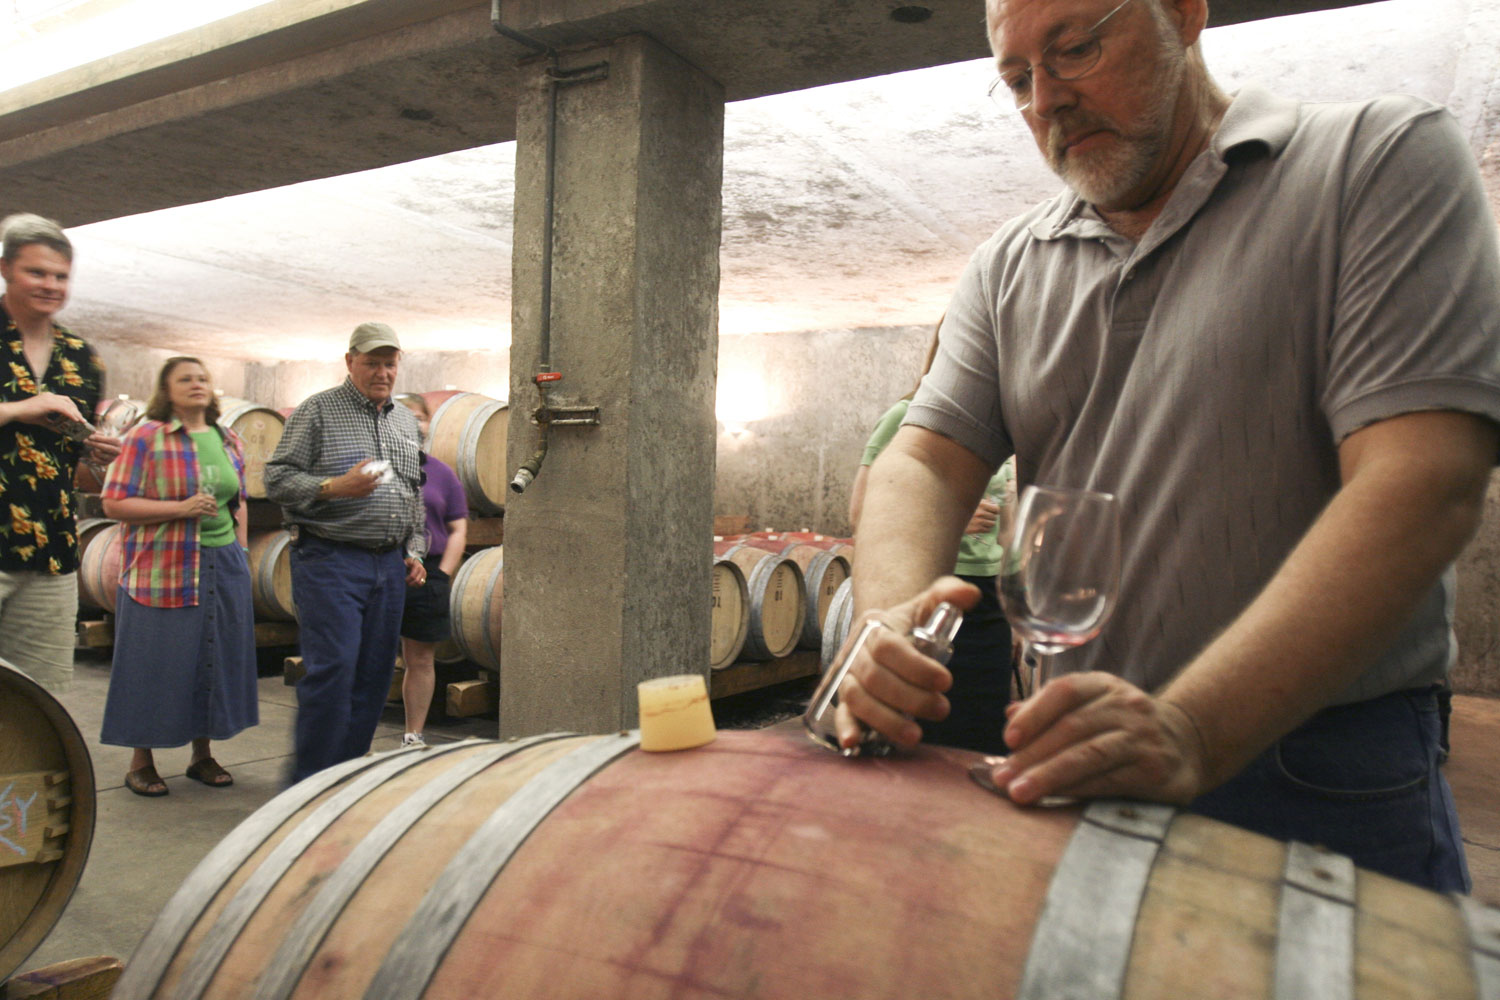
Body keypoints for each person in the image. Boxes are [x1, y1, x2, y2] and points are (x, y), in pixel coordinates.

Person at [835, 0, 1500, 891]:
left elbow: (1425, 479)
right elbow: (919, 459)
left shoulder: (1373, 161)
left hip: (1316, 768)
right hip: (1067, 751)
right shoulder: (1008, 263)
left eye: (1075, 48)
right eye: (1017, 78)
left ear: (1184, 13)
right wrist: (887, 621)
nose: (1047, 102)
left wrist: (1194, 726)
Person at [266, 322, 426, 783]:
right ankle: (305, 789)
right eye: (372, 362)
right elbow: (276, 478)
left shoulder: (403, 420)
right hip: (331, 559)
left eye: (389, 363)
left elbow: (412, 491)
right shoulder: (318, 411)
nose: (382, 372)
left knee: (374, 677)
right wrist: (335, 487)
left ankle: (343, 782)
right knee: (333, 671)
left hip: (388, 565)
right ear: (350, 361)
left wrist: (413, 548)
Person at [848, 326, 1017, 754]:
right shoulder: (905, 416)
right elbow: (859, 512)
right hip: (931, 588)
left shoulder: (1004, 433)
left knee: (983, 724)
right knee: (924, 724)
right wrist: (951, 521)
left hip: (989, 594)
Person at [99, 357, 259, 796]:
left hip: (222, 561)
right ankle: (141, 761)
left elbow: (237, 501)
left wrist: (241, 552)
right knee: (152, 663)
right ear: (166, 391)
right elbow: (113, 503)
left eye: (202, 378)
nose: (196, 385)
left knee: (212, 660)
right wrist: (180, 508)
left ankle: (202, 754)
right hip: (162, 565)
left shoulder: (229, 440)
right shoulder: (146, 438)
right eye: (185, 379)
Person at [0, 213, 120, 693]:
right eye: (37, 272)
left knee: (41, 704)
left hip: (51, 552)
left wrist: (100, 457)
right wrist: (20, 408)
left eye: (61, 276)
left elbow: (76, 469)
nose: (51, 285)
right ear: (6, 268)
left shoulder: (81, 357)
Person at [393, 393, 468, 748]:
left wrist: (443, 574)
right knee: (371, 655)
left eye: (419, 417)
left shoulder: (441, 472)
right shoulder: (377, 468)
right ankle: (354, 736)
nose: (413, 423)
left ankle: (413, 734)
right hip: (383, 569)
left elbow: (458, 527)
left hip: (429, 574)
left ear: (428, 424)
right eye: (402, 416)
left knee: (420, 659)